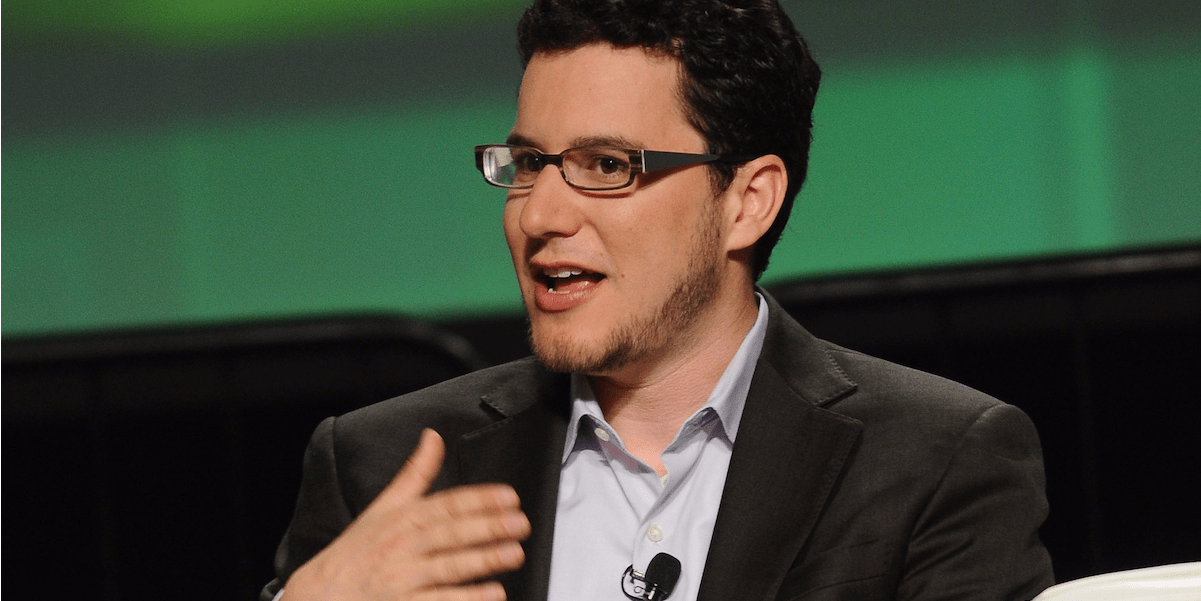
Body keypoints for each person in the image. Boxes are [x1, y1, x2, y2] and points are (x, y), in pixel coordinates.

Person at [263, 0, 1055, 599]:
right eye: (529, 163)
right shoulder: (381, 465)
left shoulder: (936, 463)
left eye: (607, 165)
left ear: (746, 201)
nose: (538, 215)